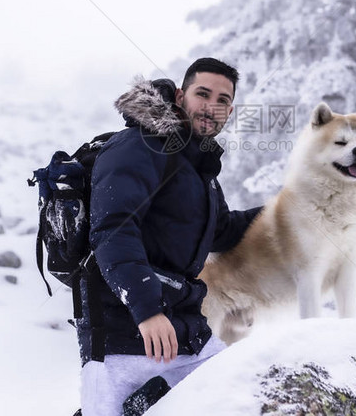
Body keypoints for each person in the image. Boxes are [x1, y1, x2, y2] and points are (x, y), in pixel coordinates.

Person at [77, 57, 262, 416]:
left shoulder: (197, 168)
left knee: (236, 389)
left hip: (186, 330)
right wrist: (147, 310)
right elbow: (114, 229)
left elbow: (221, 233)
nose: (212, 107)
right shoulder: (138, 145)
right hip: (124, 334)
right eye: (202, 93)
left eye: (223, 100)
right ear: (180, 96)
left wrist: (284, 213)